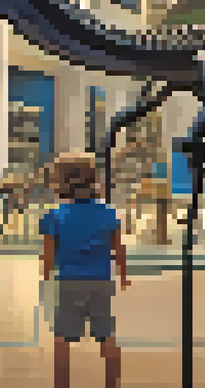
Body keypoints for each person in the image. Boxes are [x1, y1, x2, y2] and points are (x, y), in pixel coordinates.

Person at [41, 151, 131, 388]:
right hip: (101, 281)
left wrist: (46, 278)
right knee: (107, 335)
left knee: (62, 337)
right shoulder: (107, 213)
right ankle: (113, 384)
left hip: (69, 281)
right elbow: (118, 249)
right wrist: (122, 275)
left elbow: (48, 256)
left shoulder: (55, 216)